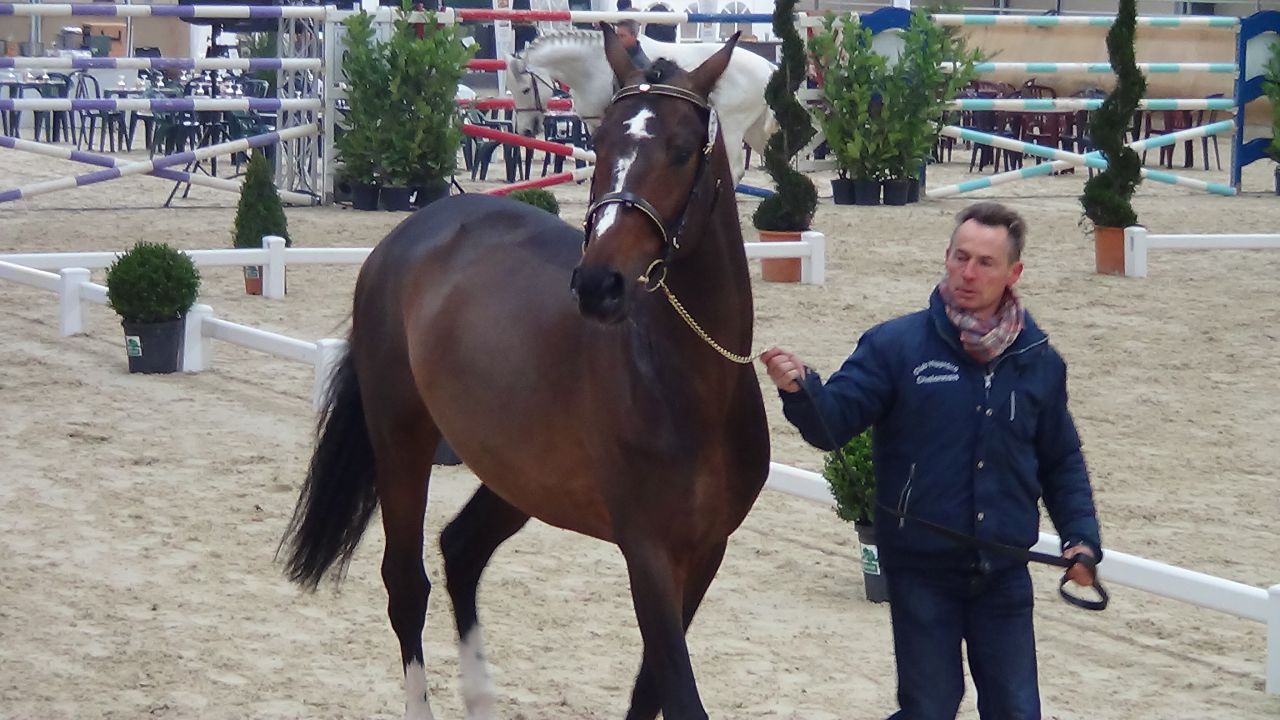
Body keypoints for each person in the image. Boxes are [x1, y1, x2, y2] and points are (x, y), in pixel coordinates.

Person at [759, 201, 1103, 720]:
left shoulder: (1039, 361)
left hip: (1005, 570)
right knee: (929, 707)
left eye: (985, 262)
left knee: (1016, 710)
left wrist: (1081, 537)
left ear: (1014, 273)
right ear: (946, 256)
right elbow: (833, 423)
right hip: (920, 568)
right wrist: (802, 389)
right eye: (960, 257)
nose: (968, 273)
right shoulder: (894, 346)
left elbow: (1060, 459)